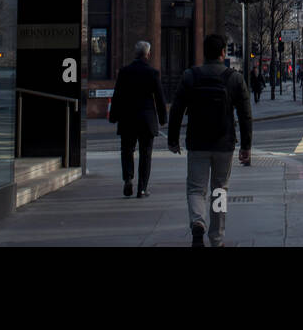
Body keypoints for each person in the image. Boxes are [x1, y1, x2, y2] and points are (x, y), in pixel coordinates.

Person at [168, 34, 252, 247]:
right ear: (223, 52)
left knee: (196, 188)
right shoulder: (234, 78)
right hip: (224, 144)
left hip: (197, 142)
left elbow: (177, 109)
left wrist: (173, 139)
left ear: (204, 52)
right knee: (220, 189)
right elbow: (245, 115)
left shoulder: (190, 76)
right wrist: (246, 146)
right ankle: (217, 237)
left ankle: (198, 222)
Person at [108, 40, 168, 198]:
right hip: (146, 119)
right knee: (145, 153)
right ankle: (142, 187)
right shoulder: (153, 73)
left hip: (128, 118)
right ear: (148, 54)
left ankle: (128, 178)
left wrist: (113, 116)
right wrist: (163, 118)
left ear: (135, 54)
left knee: (127, 150)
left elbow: (117, 96)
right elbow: (160, 98)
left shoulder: (124, 72)